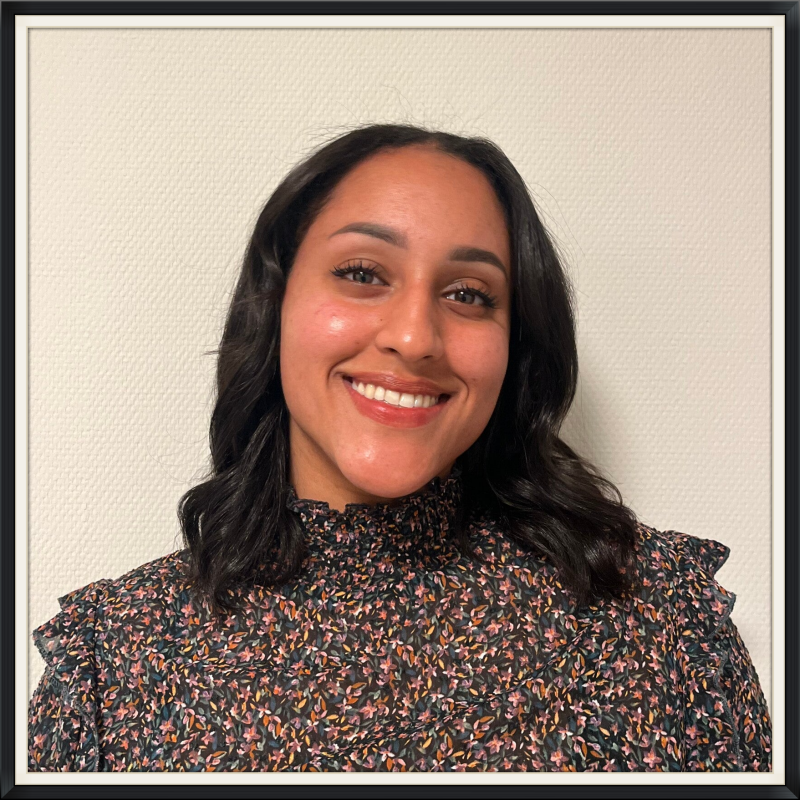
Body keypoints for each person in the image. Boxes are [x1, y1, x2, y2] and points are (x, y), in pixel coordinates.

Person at [28, 124, 772, 772]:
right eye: (362, 274)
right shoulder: (113, 663)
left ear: (515, 345)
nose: (415, 337)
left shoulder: (660, 619)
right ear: (275, 303)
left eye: (469, 293)